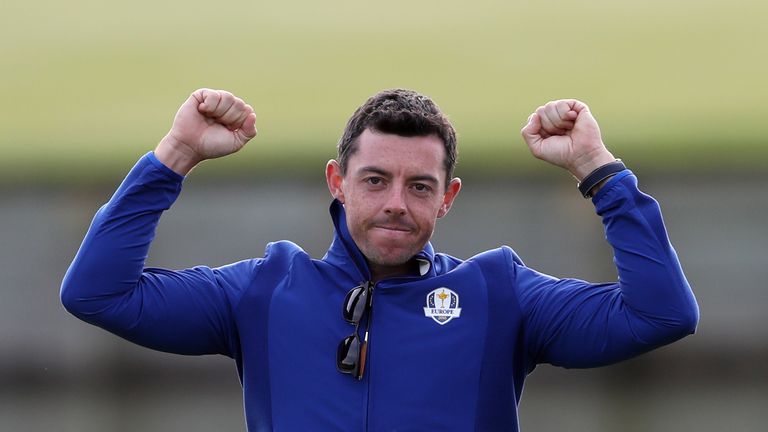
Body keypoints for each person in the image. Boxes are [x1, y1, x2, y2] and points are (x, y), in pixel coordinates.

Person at [61, 88, 699, 431]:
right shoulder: (265, 291)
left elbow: (661, 314)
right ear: (337, 181)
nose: (396, 203)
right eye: (375, 180)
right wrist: (176, 153)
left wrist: (598, 171)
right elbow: (96, 293)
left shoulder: (498, 294)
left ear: (446, 198)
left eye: (419, 186)